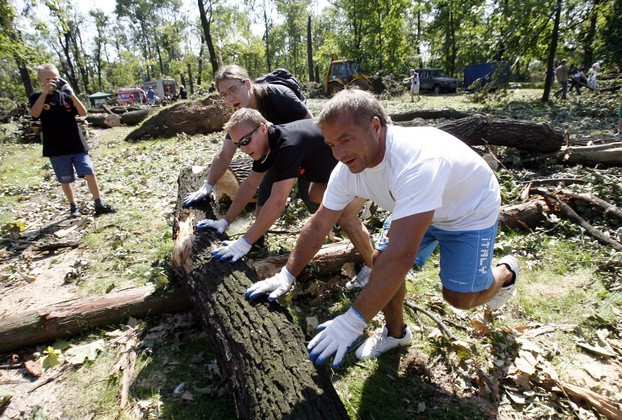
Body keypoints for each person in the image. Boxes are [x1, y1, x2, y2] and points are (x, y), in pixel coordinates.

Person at [246, 90, 520, 368]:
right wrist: (286, 274)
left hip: (467, 211)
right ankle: (396, 333)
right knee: (379, 261)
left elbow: (401, 255)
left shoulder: (415, 162)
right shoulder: (347, 169)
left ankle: (506, 273)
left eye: (346, 139)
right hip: (415, 204)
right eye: (330, 145)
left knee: (459, 298)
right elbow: (319, 224)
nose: (338, 154)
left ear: (375, 126)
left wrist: (353, 320)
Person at [195, 108, 373, 275]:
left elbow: (278, 201)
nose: (243, 148)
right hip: (335, 173)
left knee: (345, 217)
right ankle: (360, 201)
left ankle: (373, 267)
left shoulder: (287, 145)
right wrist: (225, 221)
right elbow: (250, 185)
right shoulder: (267, 145)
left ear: (262, 128)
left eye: (245, 141)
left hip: (359, 166)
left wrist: (244, 243)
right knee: (315, 194)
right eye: (238, 144)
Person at [182, 65, 312, 244]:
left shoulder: (278, 96)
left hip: (305, 150)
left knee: (312, 196)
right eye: (224, 94)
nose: (229, 98)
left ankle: (334, 224)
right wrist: (208, 185)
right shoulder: (240, 116)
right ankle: (256, 243)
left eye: (233, 90)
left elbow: (313, 126)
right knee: (264, 197)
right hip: (276, 152)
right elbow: (225, 154)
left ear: (248, 84)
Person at [29, 63, 116, 218]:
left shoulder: (65, 95)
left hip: (76, 143)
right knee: (65, 179)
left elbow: (83, 113)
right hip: (55, 146)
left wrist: (72, 94)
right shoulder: (36, 97)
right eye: (47, 79)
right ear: (40, 80)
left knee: (89, 172)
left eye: (54, 78)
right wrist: (44, 93)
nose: (52, 82)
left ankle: (98, 203)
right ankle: (73, 206)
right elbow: (35, 114)